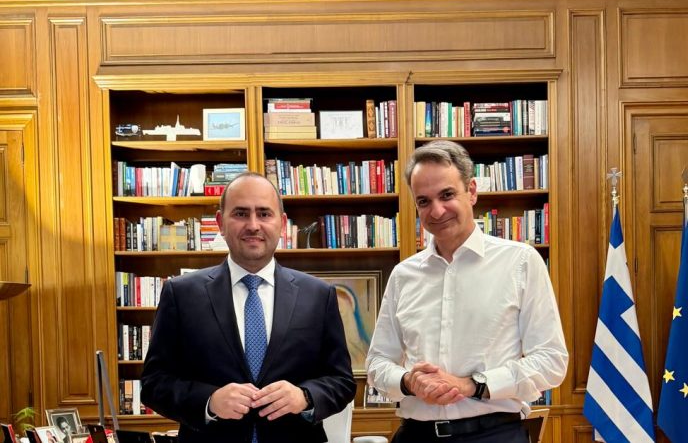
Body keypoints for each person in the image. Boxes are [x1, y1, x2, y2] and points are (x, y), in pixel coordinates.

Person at [366, 140, 568, 443]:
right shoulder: (403, 275)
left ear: (471, 191)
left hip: (493, 435)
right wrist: (409, 382)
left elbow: (551, 361)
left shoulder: (520, 261)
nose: (437, 211)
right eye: (424, 201)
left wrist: (474, 385)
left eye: (447, 195)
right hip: (416, 435)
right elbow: (376, 364)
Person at [141, 172, 356, 443]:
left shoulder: (318, 295)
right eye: (241, 213)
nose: (253, 225)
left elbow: (342, 381)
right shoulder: (181, 294)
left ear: (282, 223)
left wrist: (305, 397)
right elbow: (154, 383)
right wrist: (209, 401)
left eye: (264, 214)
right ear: (220, 223)